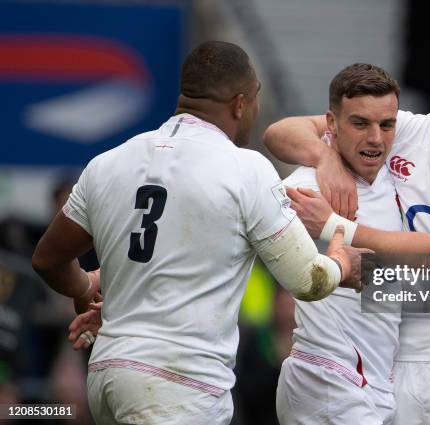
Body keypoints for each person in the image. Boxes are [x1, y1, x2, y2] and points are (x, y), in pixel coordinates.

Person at [31, 40, 368, 425]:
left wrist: (84, 288)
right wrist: (342, 259)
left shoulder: (109, 162)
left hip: (109, 373)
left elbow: (48, 258)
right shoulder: (245, 169)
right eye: (255, 99)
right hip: (179, 383)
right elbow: (310, 280)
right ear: (240, 103)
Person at [263, 27, 430, 425]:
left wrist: (337, 230)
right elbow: (281, 132)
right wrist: (325, 158)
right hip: (395, 364)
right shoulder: (402, 129)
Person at [276, 63, 402, 425]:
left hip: (379, 381)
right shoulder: (305, 189)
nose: (376, 138)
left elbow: (383, 281)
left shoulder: (399, 178)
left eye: (386, 125)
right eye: (360, 124)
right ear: (331, 123)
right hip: (326, 377)